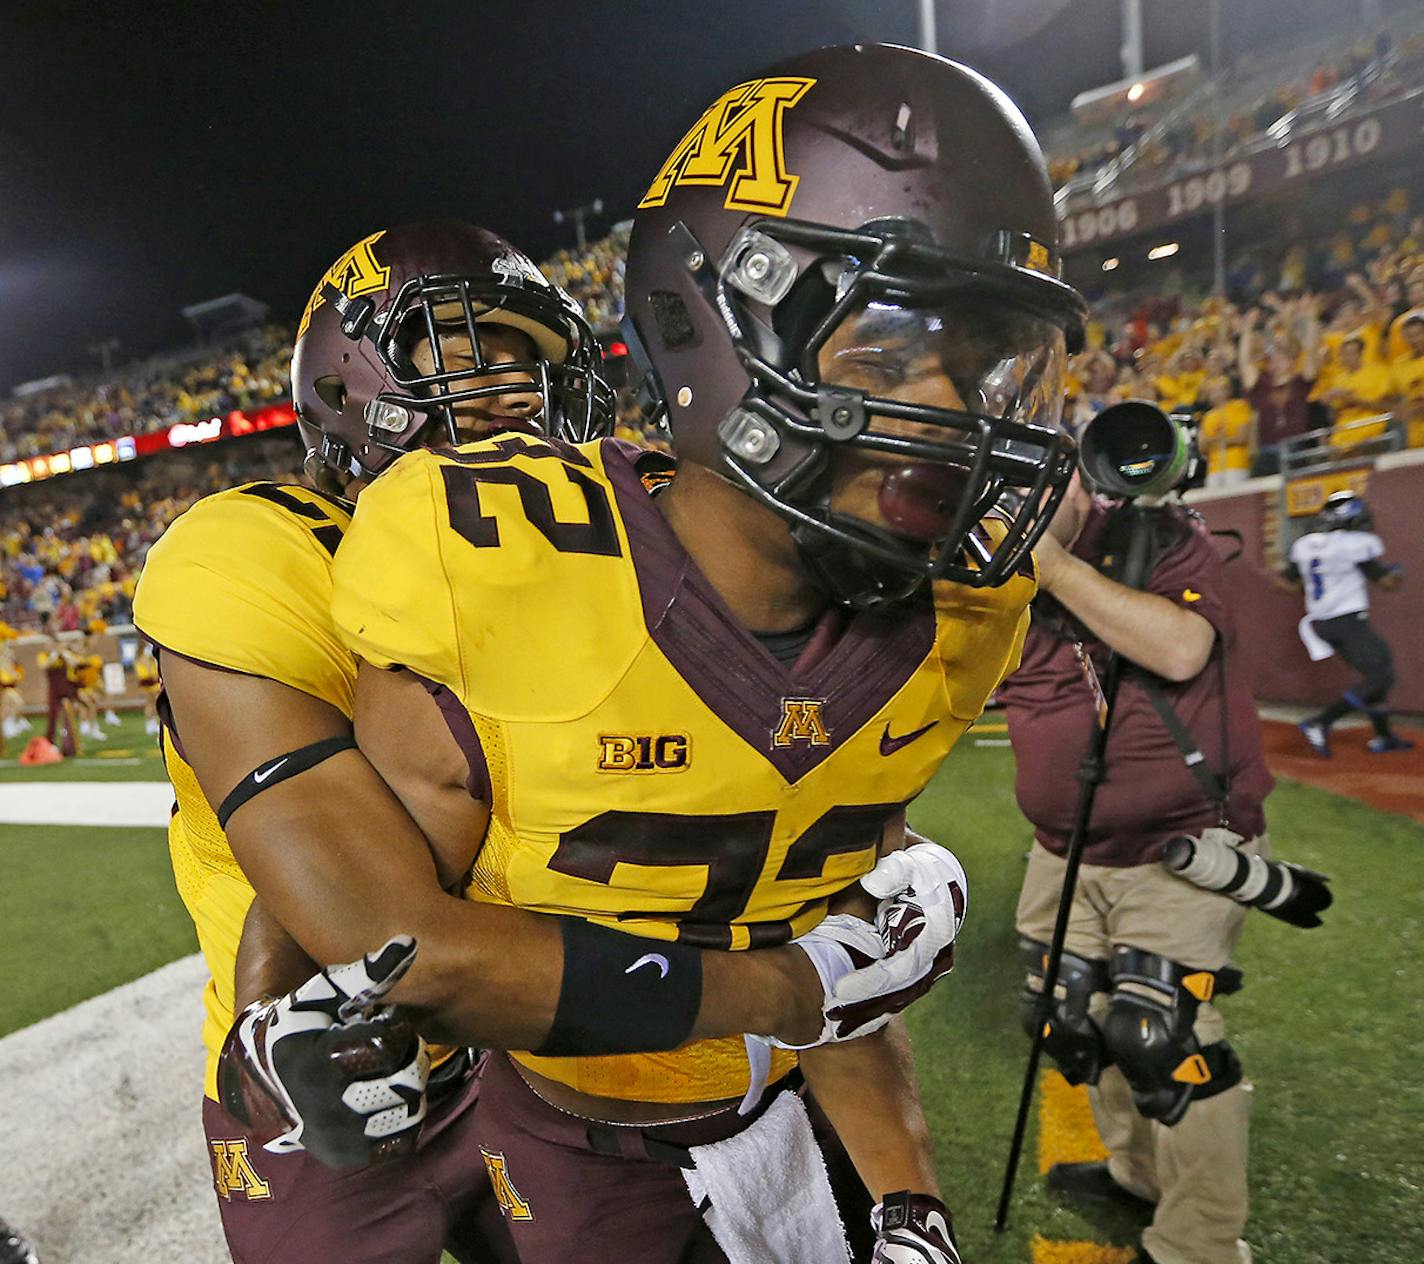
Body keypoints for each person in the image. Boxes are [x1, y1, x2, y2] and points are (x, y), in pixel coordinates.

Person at [328, 43, 1087, 1263]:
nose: (949, 419)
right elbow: (402, 956)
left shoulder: (960, 612)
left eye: (981, 362)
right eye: (885, 357)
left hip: (781, 1110)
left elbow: (839, 920)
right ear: (705, 322)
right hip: (565, 1145)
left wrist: (908, 1200)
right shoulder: (484, 555)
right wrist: (795, 981)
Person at [134, 222, 942, 1264]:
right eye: (467, 350)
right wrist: (805, 978)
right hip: (325, 1068)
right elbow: (365, 927)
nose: (516, 387)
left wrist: (873, 855)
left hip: (541, 1049)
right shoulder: (255, 552)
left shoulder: (577, 547)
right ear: (350, 381)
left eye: (532, 360)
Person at [1001, 470, 1275, 1264]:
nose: (1014, 505)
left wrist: (1051, 565)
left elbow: (1184, 649)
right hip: (1065, 846)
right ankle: (1138, 1173)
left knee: (1162, 1032)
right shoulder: (992, 568)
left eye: (1031, 484)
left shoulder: (1156, 536)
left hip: (1183, 838)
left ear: (1078, 480)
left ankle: (1201, 1245)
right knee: (1073, 1015)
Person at [1284, 490, 1410, 756]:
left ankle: (1384, 736)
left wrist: (1319, 582)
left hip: (1322, 622)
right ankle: (1321, 722)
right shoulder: (1353, 545)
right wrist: (1397, 574)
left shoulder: (1308, 545)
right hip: (1347, 619)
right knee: (1381, 674)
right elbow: (1385, 582)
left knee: (1377, 671)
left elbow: (1284, 582)